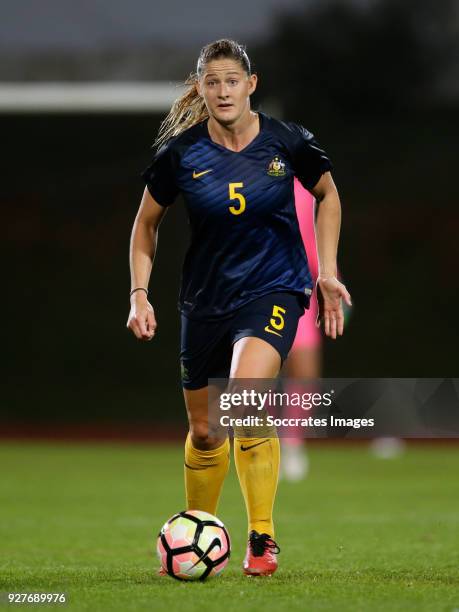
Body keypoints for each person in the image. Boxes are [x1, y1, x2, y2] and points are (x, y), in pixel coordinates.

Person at [126, 39, 352, 576]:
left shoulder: (287, 141)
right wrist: (139, 293)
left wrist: (326, 270)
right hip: (205, 301)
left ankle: (262, 539)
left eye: (232, 80)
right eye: (212, 82)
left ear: (251, 84)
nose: (223, 90)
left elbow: (329, 195)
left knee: (245, 402)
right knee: (206, 432)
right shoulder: (181, 155)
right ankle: (196, 532)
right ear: (201, 88)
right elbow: (145, 226)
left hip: (273, 289)